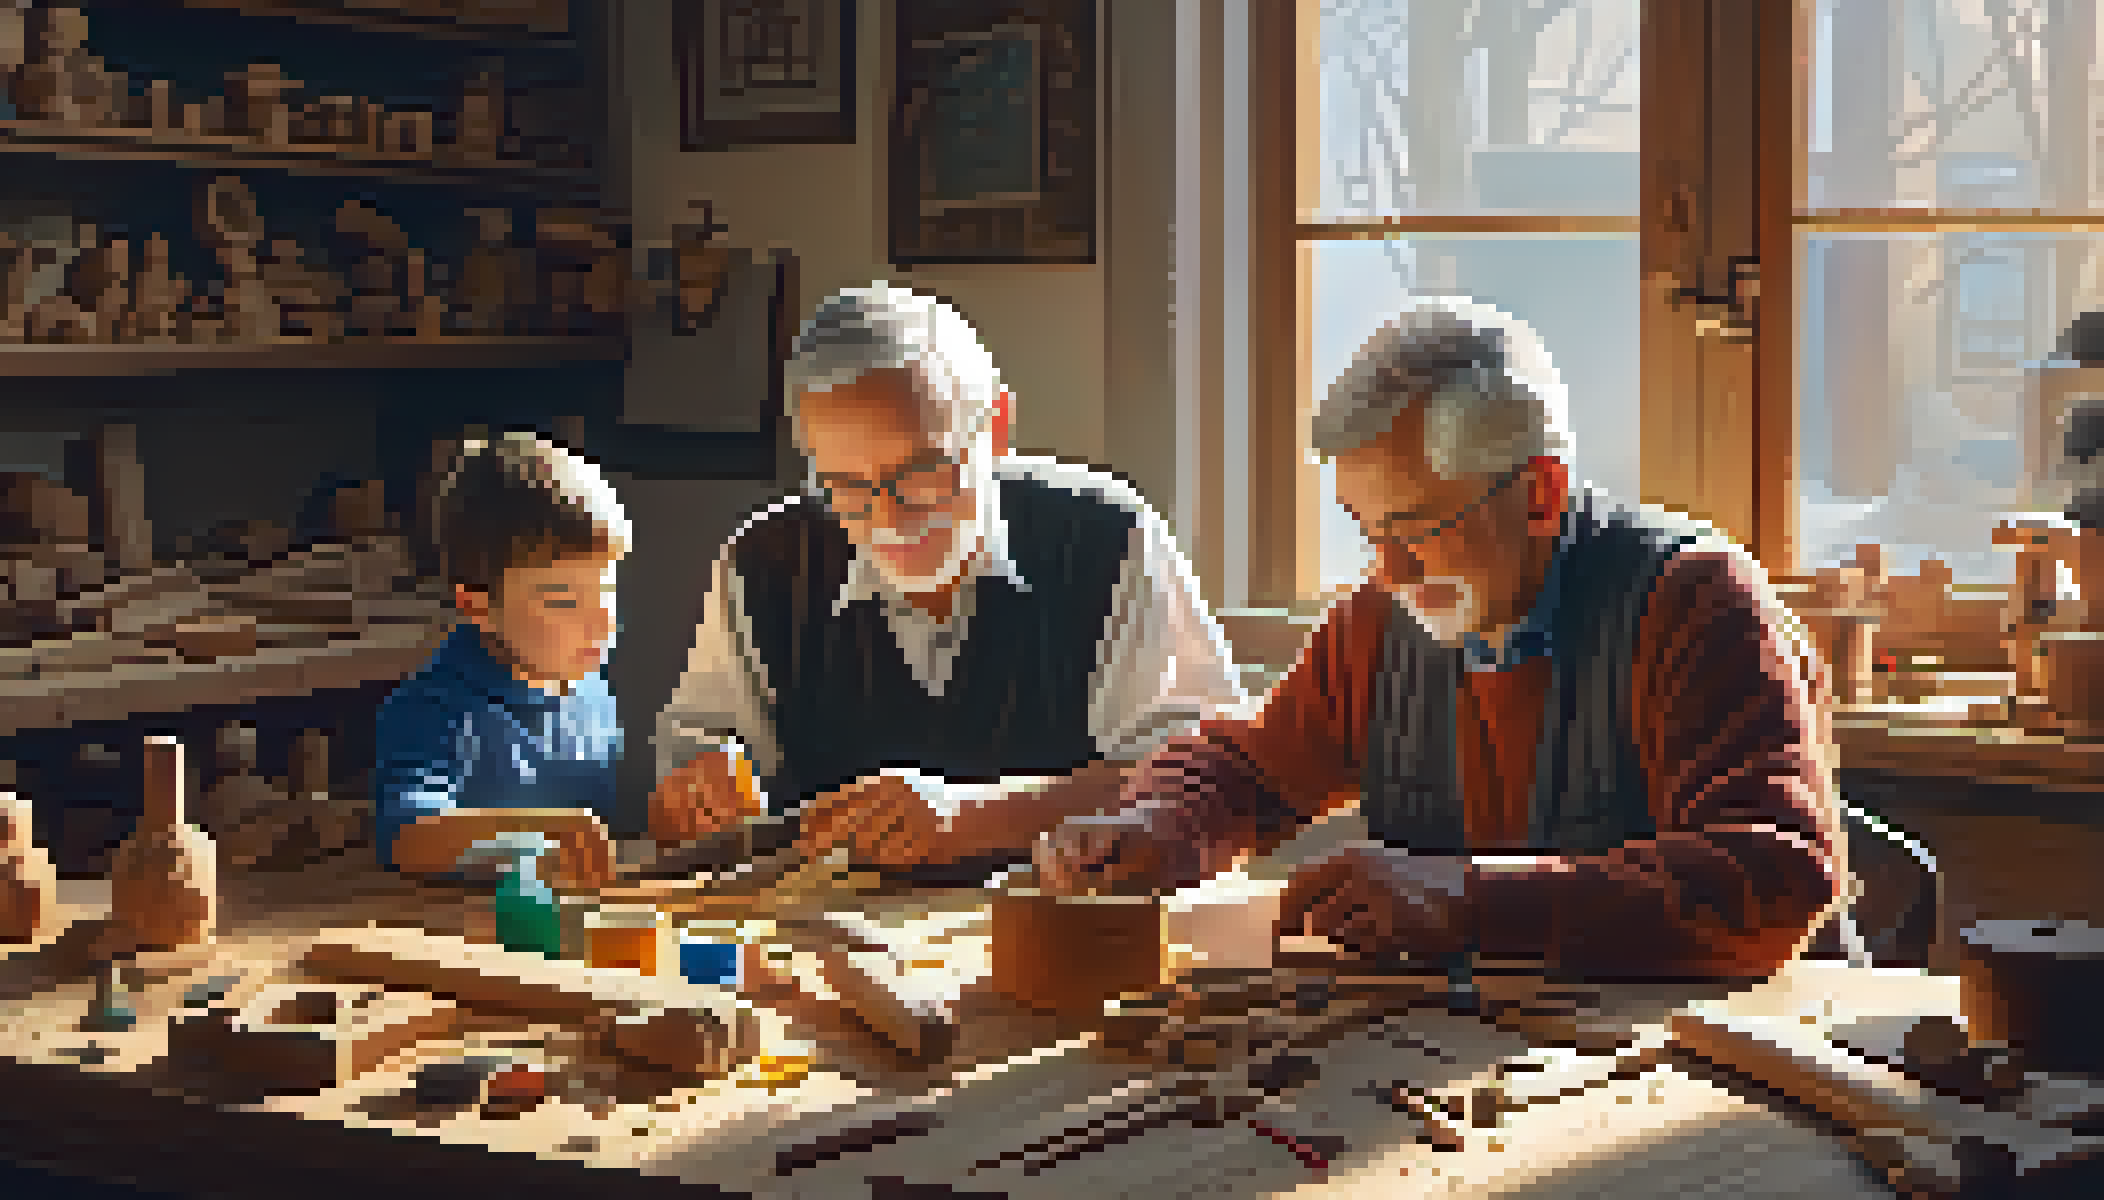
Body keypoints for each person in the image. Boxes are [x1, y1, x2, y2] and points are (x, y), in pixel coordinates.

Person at [1037, 297, 1848, 981]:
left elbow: (1774, 875)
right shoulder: (1381, 619)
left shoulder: (1693, 604)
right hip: (1498, 1046)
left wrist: (1473, 899)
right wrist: (1157, 826)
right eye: (1368, 531)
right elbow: (1248, 772)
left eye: (1417, 528)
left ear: (1540, 493)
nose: (1388, 570)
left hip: (1726, 1055)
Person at [651, 282, 1245, 867]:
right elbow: (685, 783)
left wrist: (979, 816)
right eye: (847, 487)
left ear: (996, 427)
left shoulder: (1108, 537)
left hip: (1060, 911)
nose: (887, 517)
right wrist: (695, 793)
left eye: (922, 472)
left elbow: (1203, 780)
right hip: (821, 921)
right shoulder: (764, 563)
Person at [373, 433, 625, 889]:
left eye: (606, 591)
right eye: (563, 600)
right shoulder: (436, 710)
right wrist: (536, 831)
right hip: (459, 926)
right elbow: (407, 839)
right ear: (478, 608)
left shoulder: (591, 692)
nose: (600, 621)